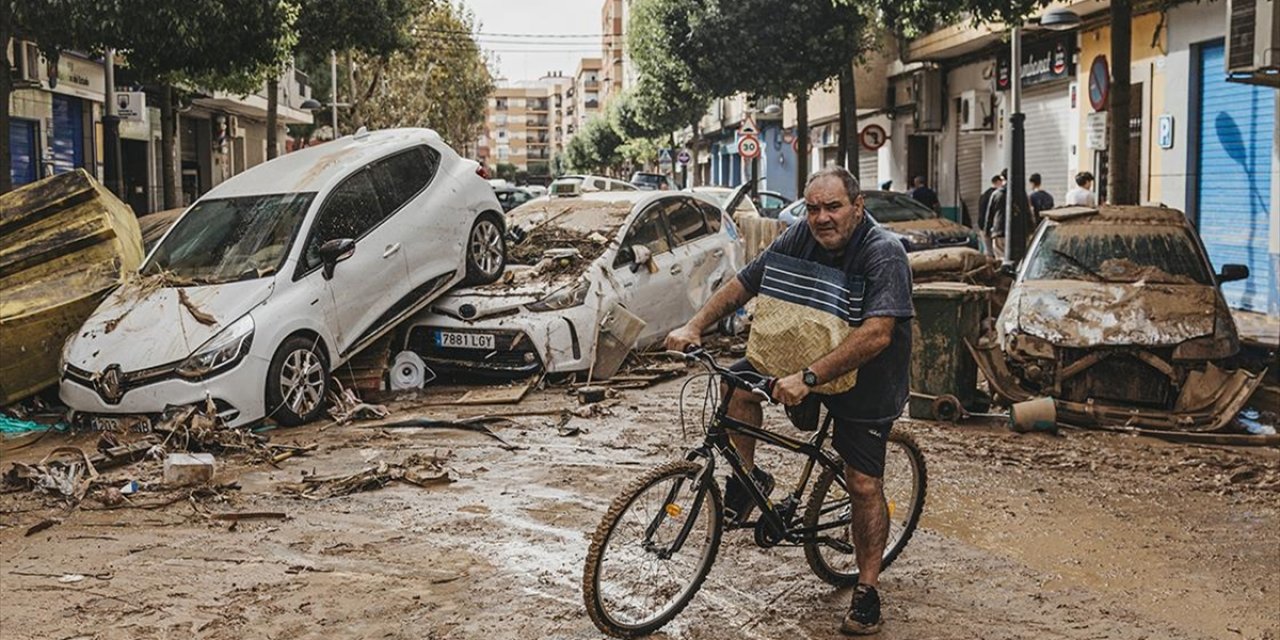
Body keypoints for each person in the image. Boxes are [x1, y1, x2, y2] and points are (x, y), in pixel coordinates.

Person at [665, 166, 913, 636]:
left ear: (858, 207)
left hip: (868, 378)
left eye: (833, 206)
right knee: (736, 384)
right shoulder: (799, 236)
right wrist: (695, 325)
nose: (821, 218)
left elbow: (878, 333)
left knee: (862, 483)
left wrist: (811, 376)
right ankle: (749, 474)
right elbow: (745, 283)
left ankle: (866, 589)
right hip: (802, 354)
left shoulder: (884, 253)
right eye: (814, 207)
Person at [977, 173, 1004, 255]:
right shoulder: (997, 194)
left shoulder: (984, 194)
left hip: (983, 226)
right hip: (993, 228)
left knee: (988, 251)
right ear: (998, 182)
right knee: (997, 252)